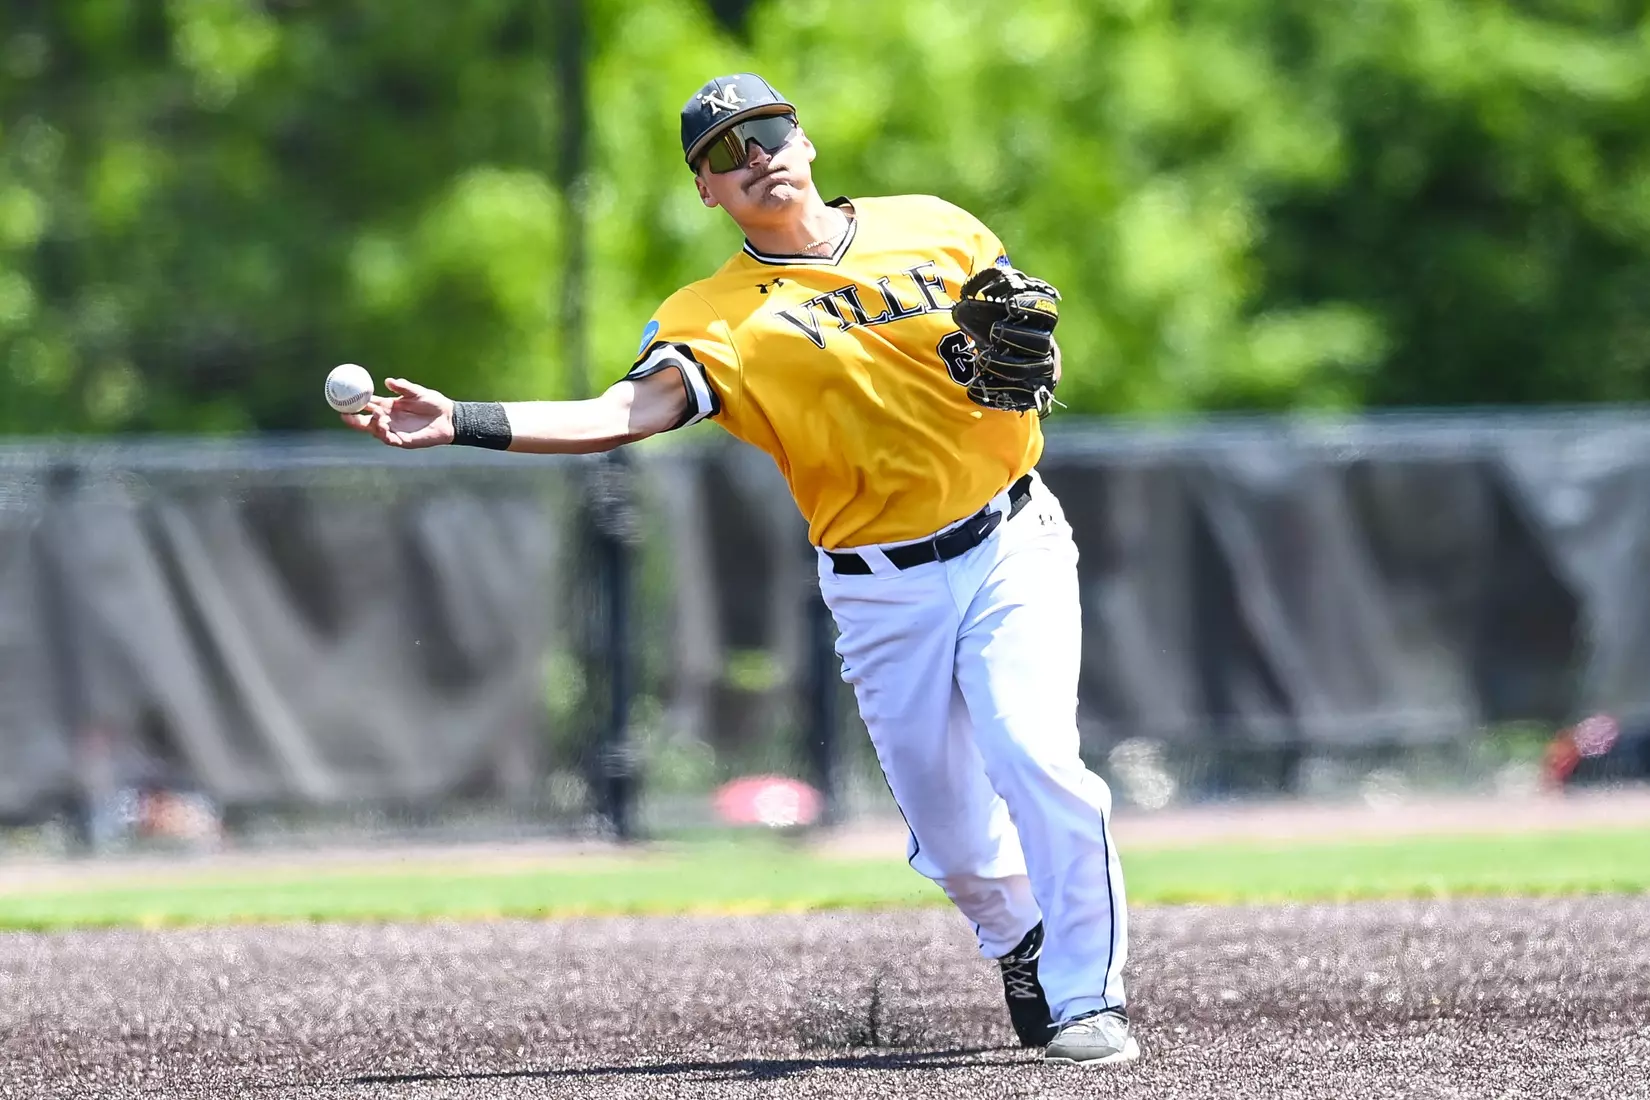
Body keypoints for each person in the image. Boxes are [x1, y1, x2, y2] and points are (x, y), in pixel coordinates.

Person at [341, 72, 1137, 1068]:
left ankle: (1085, 993)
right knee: (957, 839)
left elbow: (1023, 342)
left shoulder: (937, 227)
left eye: (765, 130)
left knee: (1035, 755)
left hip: (1011, 537)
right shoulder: (714, 316)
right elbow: (620, 415)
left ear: (803, 137)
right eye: (724, 151)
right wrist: (463, 420)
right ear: (707, 191)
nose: (753, 155)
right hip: (880, 582)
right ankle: (1016, 934)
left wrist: (1038, 366)